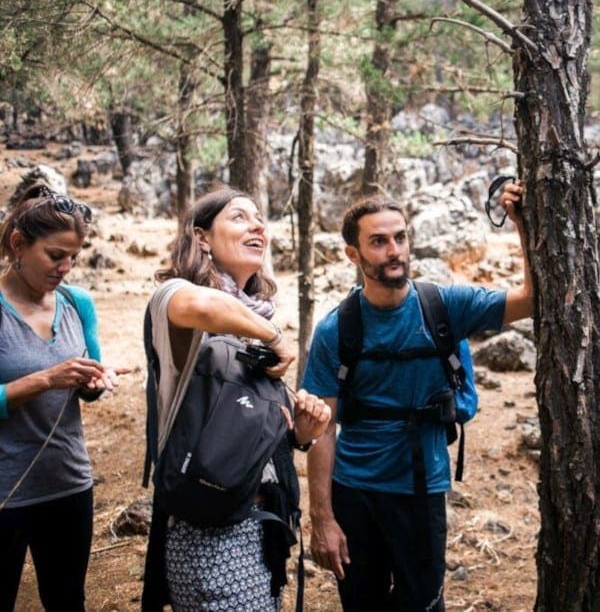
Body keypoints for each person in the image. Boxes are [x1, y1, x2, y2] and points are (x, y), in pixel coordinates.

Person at [304, 185, 532, 611]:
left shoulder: (445, 306)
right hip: (355, 491)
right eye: (378, 241)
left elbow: (530, 300)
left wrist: (522, 226)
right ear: (353, 254)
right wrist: (323, 519)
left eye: (400, 237)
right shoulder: (336, 329)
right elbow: (321, 429)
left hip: (422, 487)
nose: (394, 251)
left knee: (423, 605)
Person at [141, 188, 331, 611]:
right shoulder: (175, 300)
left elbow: (245, 434)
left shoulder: (256, 317)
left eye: (260, 218)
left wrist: (301, 434)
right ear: (202, 237)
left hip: (264, 529)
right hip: (208, 535)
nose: (258, 226)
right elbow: (205, 305)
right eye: (240, 217)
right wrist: (273, 338)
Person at [0, 183, 126, 612]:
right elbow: (51, 379)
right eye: (55, 255)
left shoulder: (78, 303)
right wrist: (45, 379)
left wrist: (93, 382)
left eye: (73, 257)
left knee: (67, 600)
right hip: (6, 490)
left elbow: (87, 374)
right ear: (19, 243)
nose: (66, 267)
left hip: (69, 483)